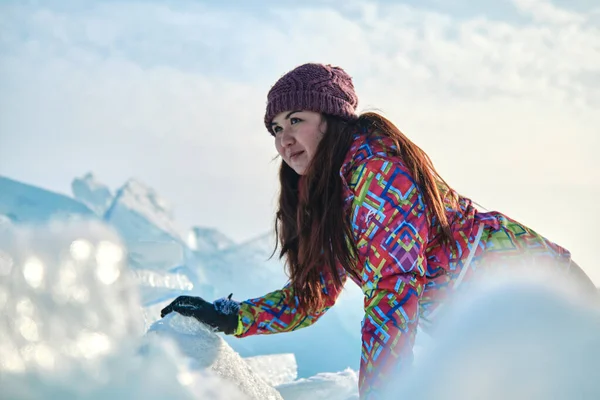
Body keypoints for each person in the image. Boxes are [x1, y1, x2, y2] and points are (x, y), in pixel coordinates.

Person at [160, 63, 596, 399]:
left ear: (330, 118)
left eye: (295, 120)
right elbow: (308, 299)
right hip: (491, 325)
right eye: (275, 129)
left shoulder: (376, 167)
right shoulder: (328, 196)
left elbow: (394, 287)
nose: (283, 139)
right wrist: (231, 316)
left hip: (534, 291)